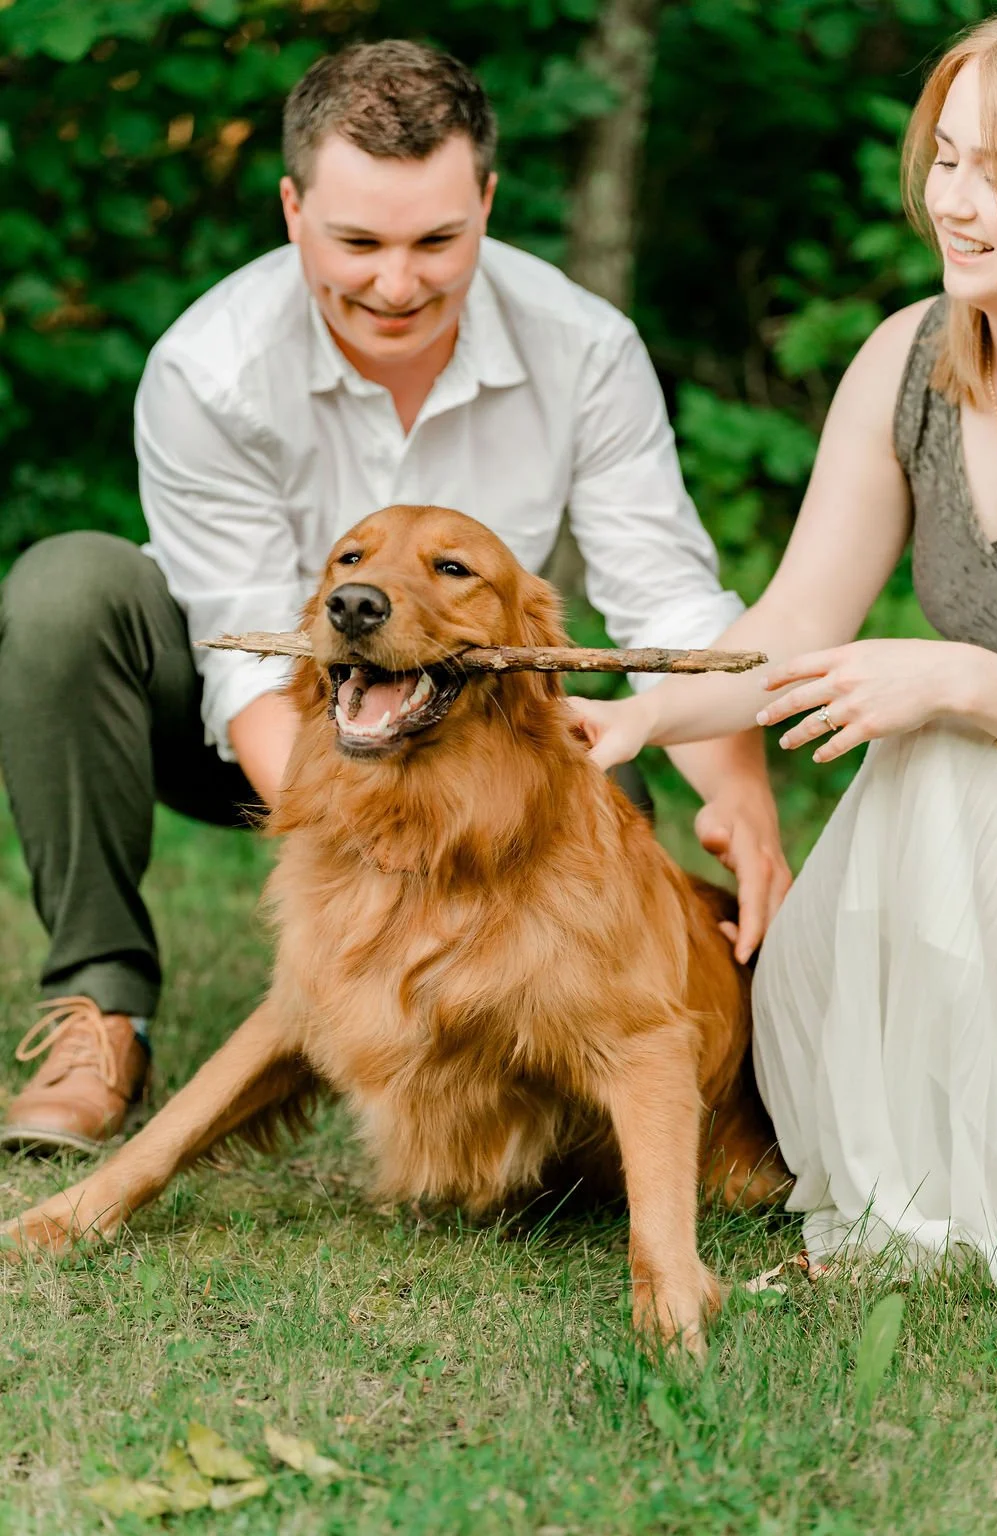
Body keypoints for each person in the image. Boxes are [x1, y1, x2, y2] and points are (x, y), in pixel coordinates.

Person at [0, 40, 789, 1154]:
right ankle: (103, 1006)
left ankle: (527, 1075)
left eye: (437, 241)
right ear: (292, 211)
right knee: (65, 591)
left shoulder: (585, 349)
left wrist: (741, 798)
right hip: (263, 721)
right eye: (358, 243)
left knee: (603, 817)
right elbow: (240, 669)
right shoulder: (207, 367)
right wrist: (374, 852)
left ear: (488, 202)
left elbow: (667, 605)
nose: (397, 283)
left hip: (476, 724)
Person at [573, 11, 997, 1285]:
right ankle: (921, 1190)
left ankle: (958, 1208)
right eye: (946, 159)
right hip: (966, 830)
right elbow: (786, 629)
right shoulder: (911, 359)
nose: (953, 203)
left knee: (946, 748)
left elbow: (953, 693)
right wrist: (640, 716)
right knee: (910, 806)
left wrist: (963, 677)